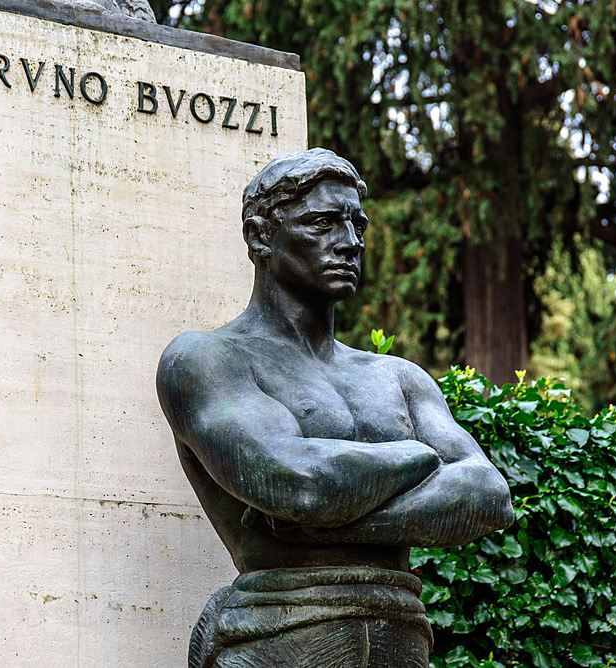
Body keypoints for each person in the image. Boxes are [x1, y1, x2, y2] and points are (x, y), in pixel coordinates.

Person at [157, 148, 513, 668]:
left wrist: (336, 522)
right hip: (279, 632)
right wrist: (419, 456)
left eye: (356, 224)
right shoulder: (205, 360)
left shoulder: (398, 376)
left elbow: (488, 494)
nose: (349, 243)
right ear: (261, 236)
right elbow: (302, 485)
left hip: (402, 636)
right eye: (322, 223)